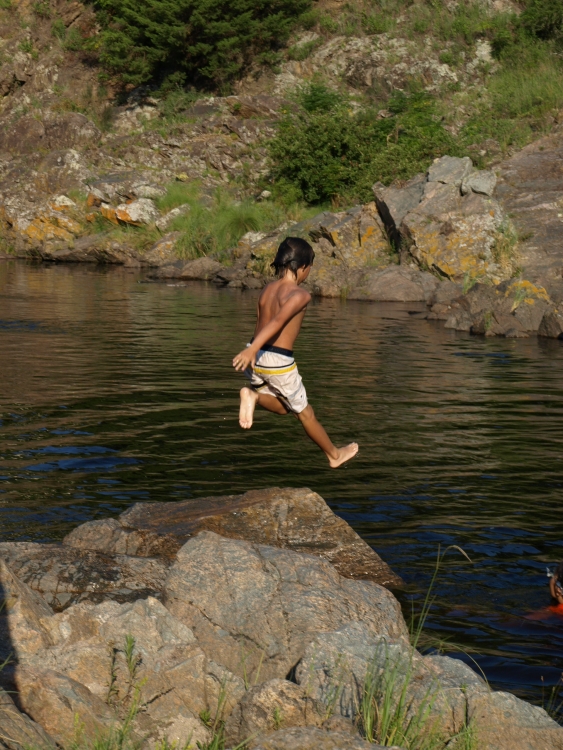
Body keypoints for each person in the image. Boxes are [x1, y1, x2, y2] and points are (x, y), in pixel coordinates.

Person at [232, 236, 358, 469]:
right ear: (302, 268)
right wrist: (255, 351)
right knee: (305, 414)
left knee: (282, 407)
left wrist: (252, 352)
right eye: (309, 268)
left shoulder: (268, 289)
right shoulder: (300, 295)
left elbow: (261, 322)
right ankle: (334, 455)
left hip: (255, 356)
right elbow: (278, 321)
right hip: (275, 358)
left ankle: (254, 396)